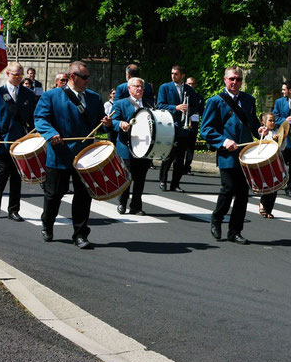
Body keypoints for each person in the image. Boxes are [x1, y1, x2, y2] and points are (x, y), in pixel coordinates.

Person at [34, 61, 112, 249]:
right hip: (60, 154)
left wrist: (108, 123)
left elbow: (100, 120)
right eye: (84, 77)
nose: (88, 81)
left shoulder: (93, 98)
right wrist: (51, 133)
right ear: (72, 77)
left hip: (85, 156)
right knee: (54, 195)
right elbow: (40, 118)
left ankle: (80, 234)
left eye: (88, 77)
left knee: (83, 196)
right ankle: (47, 223)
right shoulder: (51, 96)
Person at [200, 66, 263, 244]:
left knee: (243, 193)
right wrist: (223, 141)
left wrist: (261, 131)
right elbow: (205, 129)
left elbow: (253, 125)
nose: (235, 82)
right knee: (228, 189)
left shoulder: (249, 100)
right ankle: (216, 219)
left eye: (238, 79)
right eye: (232, 79)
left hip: (246, 154)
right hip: (227, 154)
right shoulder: (215, 101)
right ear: (225, 80)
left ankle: (235, 231)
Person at [0, 62, 37, 222]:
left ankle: (14, 209)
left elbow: (32, 119)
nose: (19, 78)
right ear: (8, 74)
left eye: (21, 75)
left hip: (20, 141)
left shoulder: (28, 94)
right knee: (3, 172)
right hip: (3, 140)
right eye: (16, 74)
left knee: (16, 175)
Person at [111, 78, 154, 215]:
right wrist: (120, 124)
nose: (140, 89)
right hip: (126, 146)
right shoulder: (120, 104)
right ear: (129, 88)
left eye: (141, 86)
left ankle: (136, 206)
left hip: (144, 146)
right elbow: (112, 121)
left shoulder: (149, 104)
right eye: (136, 86)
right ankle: (122, 202)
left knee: (140, 178)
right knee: (126, 176)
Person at [157, 65, 202, 192]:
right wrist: (175, 108)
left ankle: (175, 184)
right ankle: (163, 181)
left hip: (183, 128)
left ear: (182, 75)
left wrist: (189, 109)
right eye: (172, 73)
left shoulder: (189, 89)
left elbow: (195, 107)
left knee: (180, 159)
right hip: (169, 126)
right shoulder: (165, 87)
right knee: (168, 156)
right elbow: (160, 105)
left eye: (176, 74)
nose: (173, 76)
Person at [258, 112, 279, 219]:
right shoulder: (261, 132)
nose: (272, 122)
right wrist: (272, 140)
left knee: (275, 186)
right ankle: (262, 203)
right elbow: (262, 144)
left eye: (274, 120)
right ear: (263, 122)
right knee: (267, 184)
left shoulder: (277, 132)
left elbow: (283, 147)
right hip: (265, 162)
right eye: (270, 120)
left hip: (276, 161)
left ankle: (269, 210)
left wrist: (280, 139)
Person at [184, 76, 199, 175]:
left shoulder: (198, 97)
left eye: (193, 84)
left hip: (193, 123)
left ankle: (187, 167)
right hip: (182, 125)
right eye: (189, 84)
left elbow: (200, 110)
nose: (191, 86)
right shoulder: (183, 95)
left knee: (190, 147)